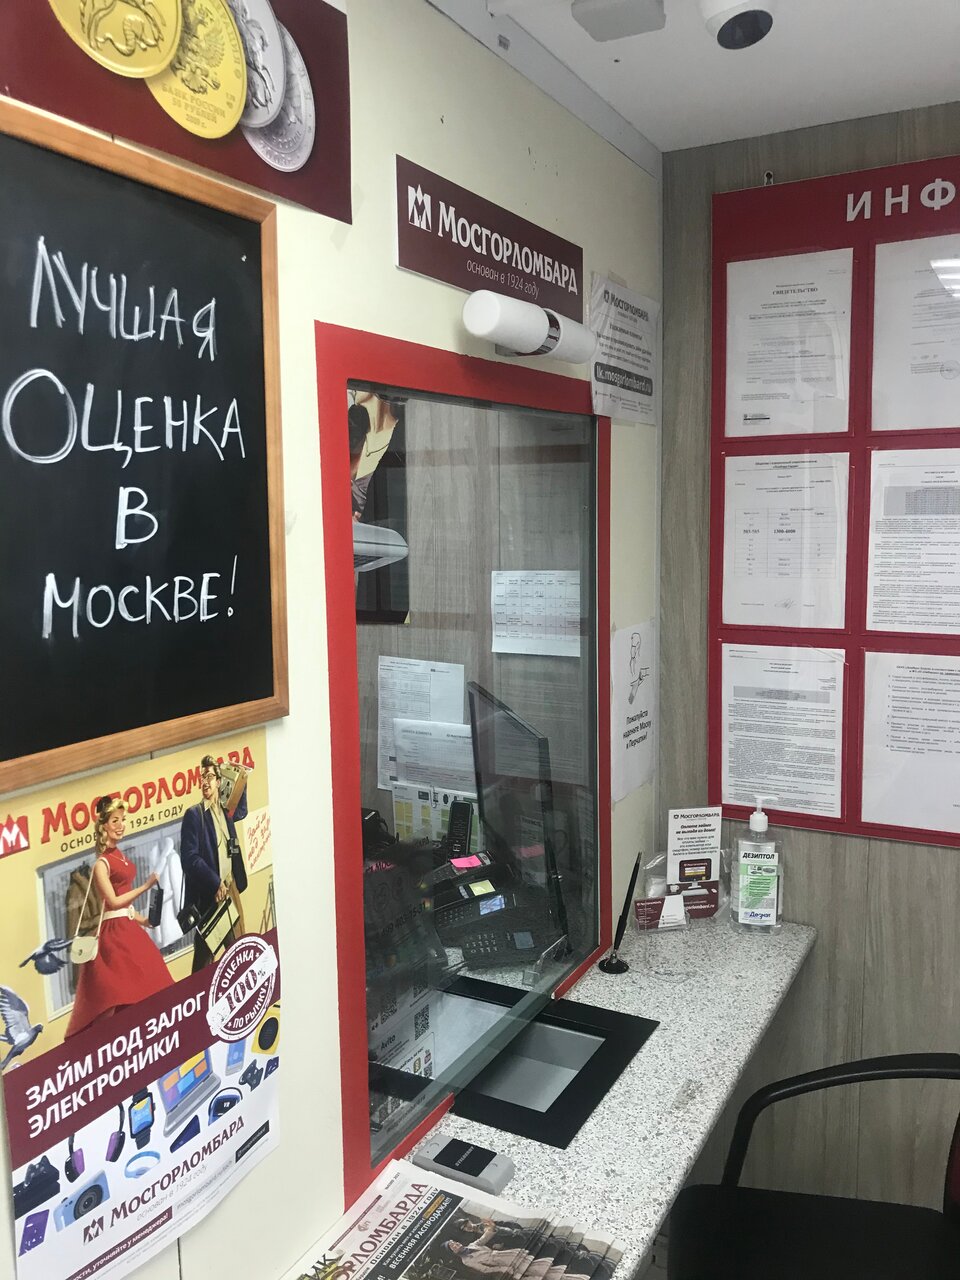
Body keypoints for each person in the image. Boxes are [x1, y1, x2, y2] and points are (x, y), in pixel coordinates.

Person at [65, 797, 173, 1038]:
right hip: (113, 934)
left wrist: (144, 920)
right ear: (104, 825)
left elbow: (125, 907)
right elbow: (113, 902)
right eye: (115, 821)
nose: (121, 825)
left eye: (123, 820)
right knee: (117, 993)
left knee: (150, 976)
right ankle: (112, 1039)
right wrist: (145, 886)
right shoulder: (101, 864)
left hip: (127, 926)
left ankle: (149, 1031)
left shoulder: (120, 856)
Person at [178, 754, 249, 971]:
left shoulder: (225, 812)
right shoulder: (195, 815)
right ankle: (197, 990)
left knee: (239, 950)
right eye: (202, 777)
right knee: (204, 961)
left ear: (219, 782)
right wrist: (214, 882)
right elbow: (189, 858)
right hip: (211, 895)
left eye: (209, 776)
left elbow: (242, 811)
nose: (205, 782)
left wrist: (243, 779)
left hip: (230, 888)